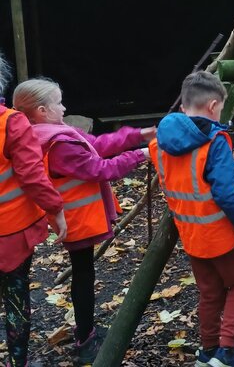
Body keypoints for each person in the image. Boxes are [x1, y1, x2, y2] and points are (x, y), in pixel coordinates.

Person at [13, 78, 154, 365]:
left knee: (84, 273)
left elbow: (99, 144)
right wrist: (142, 154)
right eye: (58, 103)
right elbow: (100, 168)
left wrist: (140, 133)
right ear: (41, 110)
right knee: (84, 276)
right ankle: (86, 338)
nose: (64, 107)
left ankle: (84, 329)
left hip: (77, 217)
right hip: (76, 220)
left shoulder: (55, 132)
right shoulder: (58, 145)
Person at [149, 71, 234, 367]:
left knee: (209, 293)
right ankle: (227, 351)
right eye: (220, 108)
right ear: (212, 106)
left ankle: (207, 350)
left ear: (184, 108)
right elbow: (226, 192)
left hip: (191, 235)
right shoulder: (215, 142)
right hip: (222, 234)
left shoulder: (161, 143)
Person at [0, 58, 67, 367]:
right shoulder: (10, 122)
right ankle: (19, 362)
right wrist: (55, 209)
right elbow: (32, 176)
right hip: (9, 233)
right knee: (15, 299)